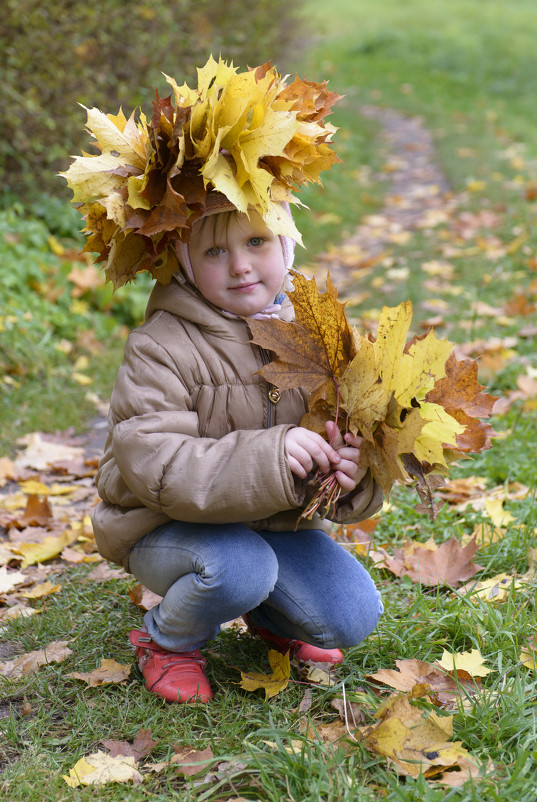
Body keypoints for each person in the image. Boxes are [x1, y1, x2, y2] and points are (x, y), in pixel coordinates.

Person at [64, 58, 384, 704]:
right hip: (163, 527)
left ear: (286, 245)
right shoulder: (163, 344)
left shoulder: (314, 334)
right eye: (214, 251)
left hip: (272, 526)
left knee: (352, 613)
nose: (239, 267)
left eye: (257, 242)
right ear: (183, 260)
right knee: (237, 566)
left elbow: (345, 448)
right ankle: (167, 638)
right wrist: (272, 455)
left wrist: (351, 475)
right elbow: (159, 464)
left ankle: (271, 614)